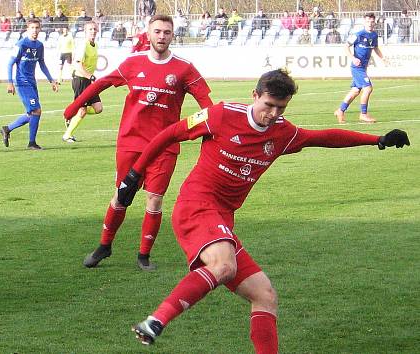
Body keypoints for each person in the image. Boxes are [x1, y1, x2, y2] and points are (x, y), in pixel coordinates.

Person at [117, 68, 410, 348]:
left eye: (281, 108)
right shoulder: (220, 115)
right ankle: (155, 321)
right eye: (269, 105)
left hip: (222, 219)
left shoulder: (282, 133)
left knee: (265, 295)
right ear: (254, 94)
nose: (273, 115)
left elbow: (323, 138)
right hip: (196, 206)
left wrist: (378, 140)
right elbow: (169, 134)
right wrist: (135, 174)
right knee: (224, 266)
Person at [64, 15, 212, 271]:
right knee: (121, 197)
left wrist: (211, 127)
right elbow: (102, 83)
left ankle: (144, 255)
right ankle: (104, 246)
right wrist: (75, 106)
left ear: (172, 35)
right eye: (157, 31)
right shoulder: (133, 62)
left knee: (154, 200)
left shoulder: (184, 68)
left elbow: (206, 102)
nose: (162, 36)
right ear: (148, 33)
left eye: (167, 32)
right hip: (131, 143)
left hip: (165, 146)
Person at [1, 19, 58, 150]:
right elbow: (10, 63)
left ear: (40, 29)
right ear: (27, 29)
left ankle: (7, 129)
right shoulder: (21, 44)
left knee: (31, 114)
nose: (35, 30)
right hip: (22, 82)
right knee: (36, 110)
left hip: (32, 83)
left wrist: (51, 80)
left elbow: (42, 64)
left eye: (37, 28)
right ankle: (32, 143)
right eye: (32, 28)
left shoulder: (39, 46)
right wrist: (10, 82)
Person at [334, 13, 386, 124]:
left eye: (372, 21)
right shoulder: (358, 34)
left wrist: (383, 58)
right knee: (368, 88)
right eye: (368, 21)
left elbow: (375, 48)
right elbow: (346, 46)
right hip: (357, 68)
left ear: (374, 22)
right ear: (364, 22)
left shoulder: (374, 35)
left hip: (363, 67)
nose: (370, 24)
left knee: (355, 91)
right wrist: (353, 58)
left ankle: (340, 110)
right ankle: (363, 114)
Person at [62, 21, 102, 143]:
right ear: (85, 31)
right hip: (80, 80)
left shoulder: (95, 45)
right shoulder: (83, 45)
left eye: (95, 29)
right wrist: (89, 76)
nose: (93, 31)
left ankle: (73, 112)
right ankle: (67, 135)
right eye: (90, 29)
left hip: (88, 80)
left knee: (98, 108)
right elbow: (77, 64)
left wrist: (90, 77)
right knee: (83, 110)